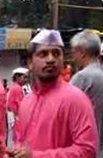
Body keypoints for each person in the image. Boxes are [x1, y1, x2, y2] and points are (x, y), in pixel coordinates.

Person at [7, 29, 98, 158]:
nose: (50, 59)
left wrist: (36, 156)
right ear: (30, 63)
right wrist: (17, 152)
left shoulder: (76, 99)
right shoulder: (26, 101)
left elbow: (87, 150)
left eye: (56, 54)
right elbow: (21, 142)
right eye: (43, 54)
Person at [70, 30, 103, 158]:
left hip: (87, 150)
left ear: (82, 52)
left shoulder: (82, 78)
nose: (72, 57)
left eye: (73, 52)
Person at [7, 67, 29, 142]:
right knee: (18, 137)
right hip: (16, 117)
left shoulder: (16, 88)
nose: (26, 80)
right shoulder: (17, 89)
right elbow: (19, 105)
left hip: (14, 116)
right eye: (24, 77)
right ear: (17, 77)